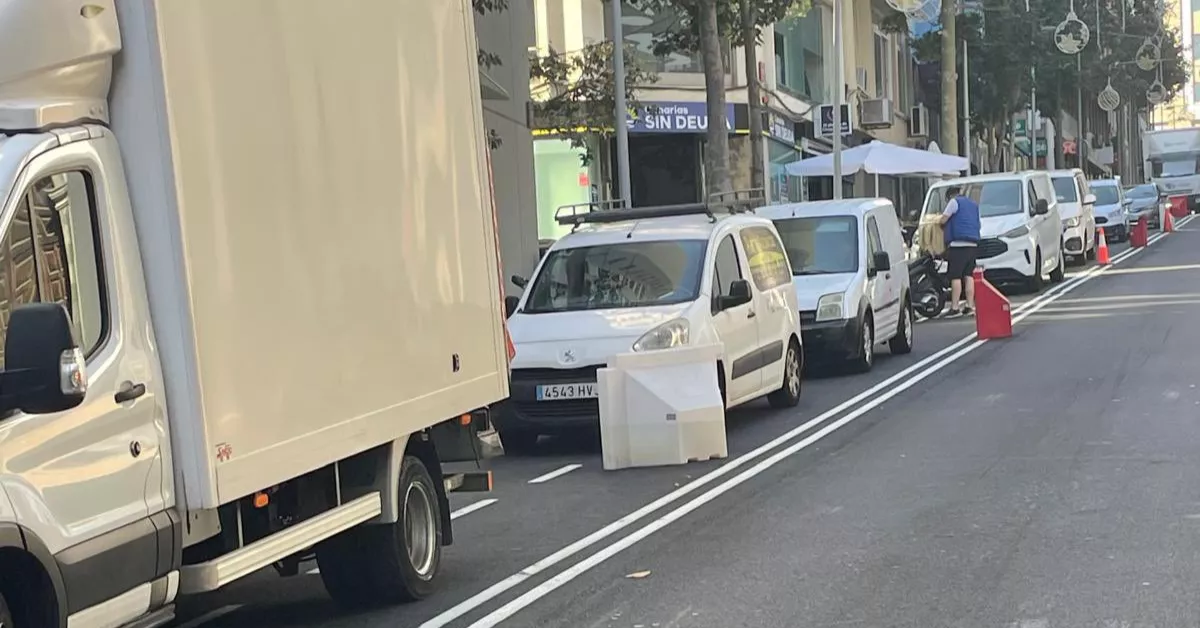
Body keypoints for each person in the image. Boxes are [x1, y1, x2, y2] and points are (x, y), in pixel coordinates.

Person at [937, 185, 980, 317]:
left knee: (955, 276)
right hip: (973, 245)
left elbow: (943, 219)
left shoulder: (954, 202)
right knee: (969, 276)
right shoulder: (973, 204)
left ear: (950, 196)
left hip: (958, 245)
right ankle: (969, 306)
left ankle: (955, 307)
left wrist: (939, 222)